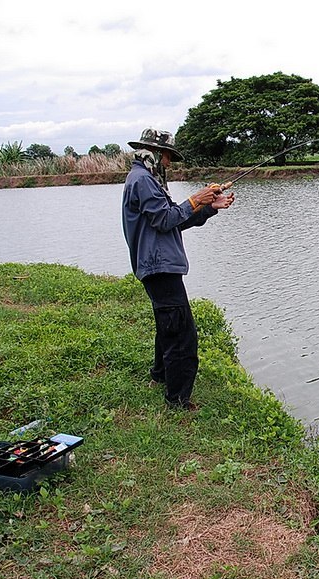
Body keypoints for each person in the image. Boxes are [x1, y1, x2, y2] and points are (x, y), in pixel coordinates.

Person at [122, 128, 234, 409]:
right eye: (169, 157)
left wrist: (210, 207)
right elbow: (164, 218)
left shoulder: (147, 179)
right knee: (181, 334)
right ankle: (178, 400)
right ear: (156, 154)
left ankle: (160, 376)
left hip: (158, 264)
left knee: (167, 326)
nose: (170, 163)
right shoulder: (143, 180)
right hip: (159, 266)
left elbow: (176, 220)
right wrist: (197, 199)